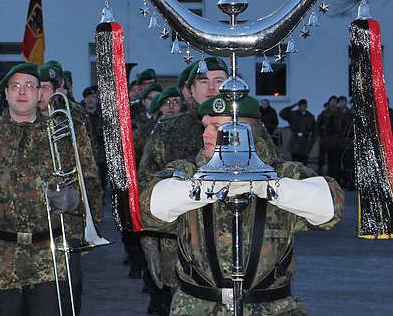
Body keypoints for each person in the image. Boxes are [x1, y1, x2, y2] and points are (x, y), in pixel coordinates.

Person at [141, 94, 344, 315]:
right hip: (198, 307)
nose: (206, 134)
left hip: (272, 308)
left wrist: (267, 186)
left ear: (246, 132)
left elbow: (331, 208)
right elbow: (147, 208)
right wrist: (207, 186)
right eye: (205, 125)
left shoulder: (283, 172)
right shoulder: (187, 171)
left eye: (217, 126)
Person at [0, 63, 97, 316]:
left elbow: (91, 183)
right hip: (0, 254)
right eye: (15, 86)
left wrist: (74, 198)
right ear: (5, 93)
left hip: (49, 254)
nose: (22, 91)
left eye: (30, 86)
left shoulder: (62, 135)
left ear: (40, 93)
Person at [136, 57, 227, 315]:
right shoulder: (168, 129)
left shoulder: (248, 127)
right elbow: (146, 186)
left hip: (235, 249)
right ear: (188, 90)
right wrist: (149, 243)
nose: (212, 88)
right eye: (203, 82)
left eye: (219, 81)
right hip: (180, 247)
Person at [36, 63, 103, 311]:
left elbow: (90, 175)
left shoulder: (72, 119)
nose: (39, 94)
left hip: (69, 222)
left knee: (69, 289)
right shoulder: (18, 121)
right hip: (31, 224)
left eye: (44, 88)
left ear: (56, 90)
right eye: (35, 88)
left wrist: (91, 223)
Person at [280, 99, 316, 164]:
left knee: (304, 163)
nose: (303, 107)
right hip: (295, 140)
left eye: (304, 106)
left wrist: (311, 143)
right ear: (298, 106)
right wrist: (293, 105)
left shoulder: (310, 116)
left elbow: (314, 130)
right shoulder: (293, 114)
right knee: (295, 162)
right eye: (301, 105)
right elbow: (282, 113)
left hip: (305, 142)